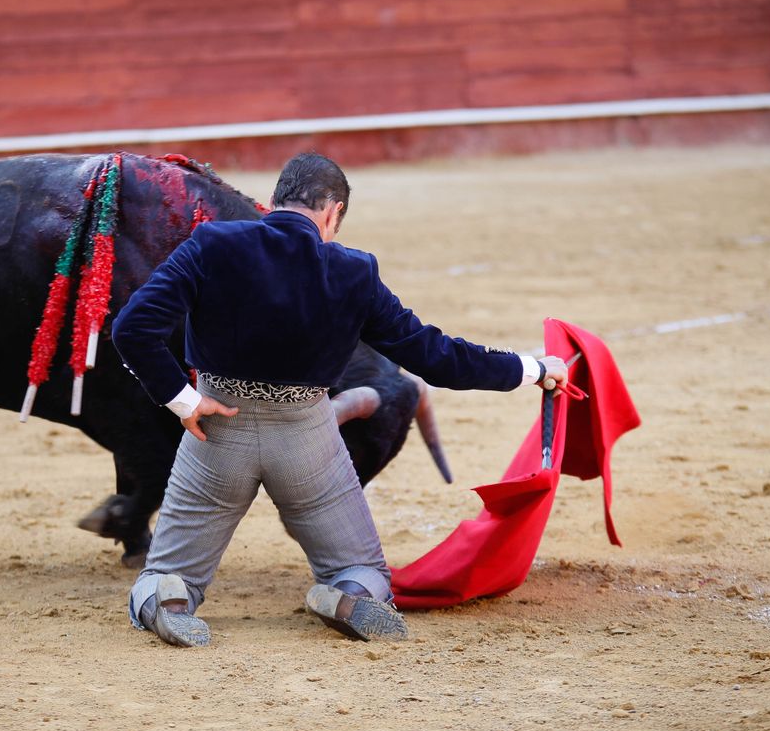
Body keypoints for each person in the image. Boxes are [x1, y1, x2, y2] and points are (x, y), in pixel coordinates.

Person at [112, 153, 569, 648]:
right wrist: (534, 369)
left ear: (275, 202)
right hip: (307, 440)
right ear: (333, 212)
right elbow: (436, 357)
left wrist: (183, 401)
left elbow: (132, 329)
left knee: (167, 574)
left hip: (217, 433)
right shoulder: (354, 271)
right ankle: (345, 595)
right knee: (363, 572)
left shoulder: (212, 244)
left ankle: (169, 602)